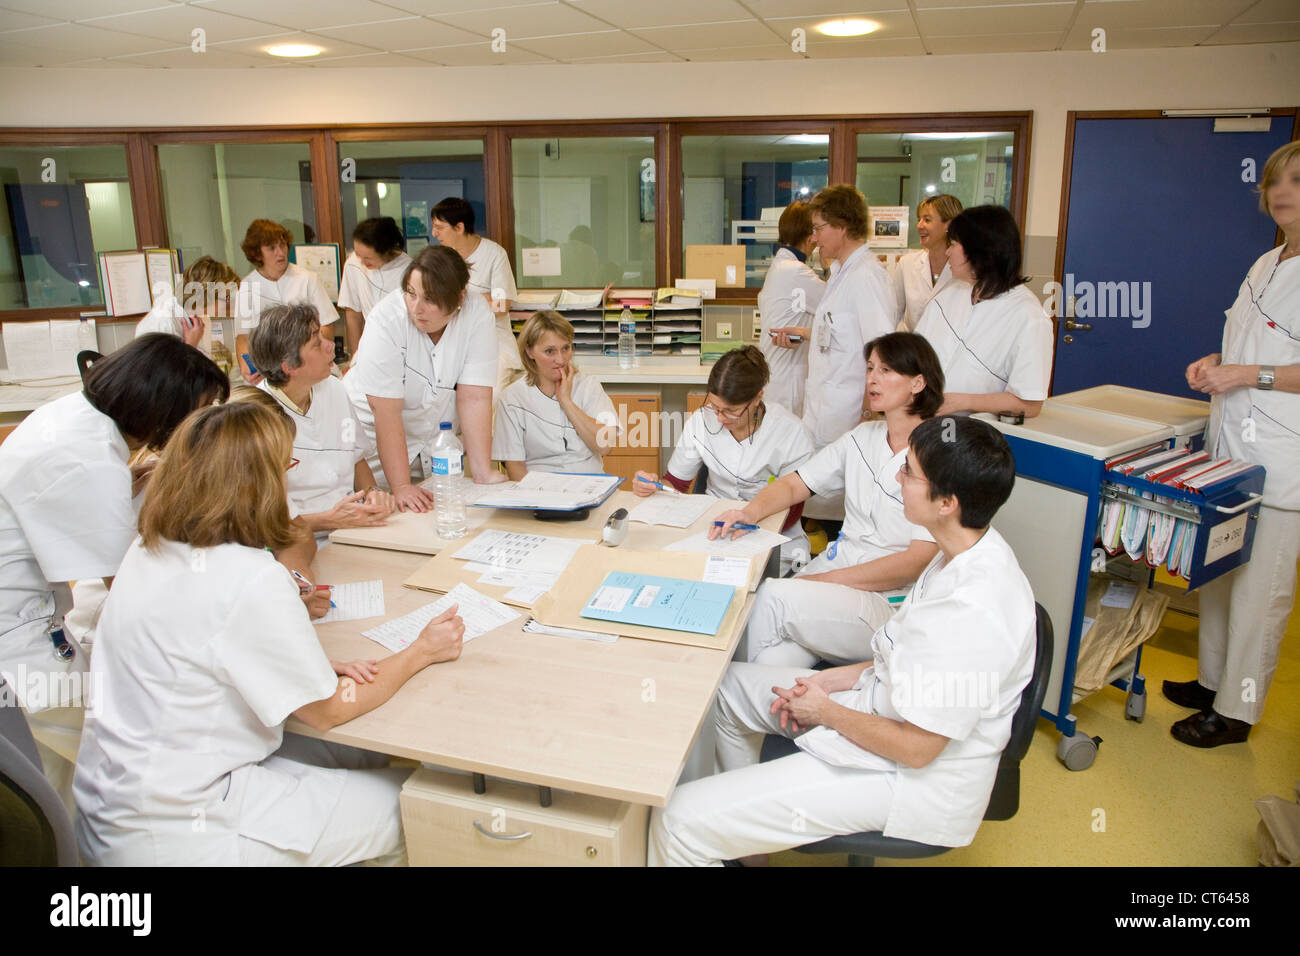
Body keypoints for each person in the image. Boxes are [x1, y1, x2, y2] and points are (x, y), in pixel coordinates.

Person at [72, 401, 466, 866]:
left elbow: (205, 651)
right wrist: (421, 650)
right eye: (286, 467)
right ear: (258, 483)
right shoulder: (249, 577)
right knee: (422, 811)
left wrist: (296, 662)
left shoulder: (148, 548)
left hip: (112, 808)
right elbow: (326, 712)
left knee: (364, 758)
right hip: (183, 831)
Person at [649, 415, 1035, 866]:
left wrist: (825, 711)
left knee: (675, 823)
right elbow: (896, 657)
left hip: (908, 780)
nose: (896, 476)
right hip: (874, 706)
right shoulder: (959, 552)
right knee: (719, 690)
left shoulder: (975, 609)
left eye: (908, 471)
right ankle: (738, 846)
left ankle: (700, 834)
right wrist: (829, 683)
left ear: (946, 501)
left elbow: (917, 748)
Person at [0, 334, 230, 712]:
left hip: (31, 611)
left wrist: (123, 482)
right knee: (70, 735)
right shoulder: (91, 461)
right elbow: (129, 588)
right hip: (19, 638)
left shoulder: (73, 414)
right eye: (198, 412)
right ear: (166, 407)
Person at [1171, 140, 1300, 747]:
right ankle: (1212, 682)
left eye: (1297, 181)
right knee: (1221, 571)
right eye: (1275, 181)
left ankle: (1238, 711)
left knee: (1260, 593)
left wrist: (1247, 375)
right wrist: (1217, 364)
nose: (1281, 192)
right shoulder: (1265, 263)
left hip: (1283, 458)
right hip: (1234, 447)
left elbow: (1268, 368)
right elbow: (1251, 347)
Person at [712, 333, 944, 665]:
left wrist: (822, 582)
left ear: (918, 383)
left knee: (771, 595)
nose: (872, 379)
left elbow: (915, 561)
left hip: (887, 601)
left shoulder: (938, 455)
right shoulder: (863, 438)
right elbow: (795, 484)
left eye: (886, 370)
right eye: (870, 368)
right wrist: (750, 512)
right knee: (767, 666)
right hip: (838, 578)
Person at [345, 245, 506, 514]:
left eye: (429, 299)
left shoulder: (476, 313)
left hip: (431, 451)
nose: (416, 308)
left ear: (460, 298)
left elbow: (475, 396)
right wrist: (401, 486)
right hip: (372, 448)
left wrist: (482, 473)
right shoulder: (386, 319)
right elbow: (385, 412)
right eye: (411, 293)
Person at [633, 346, 815, 575]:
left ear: (758, 397)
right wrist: (654, 485)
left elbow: (794, 509)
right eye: (714, 406)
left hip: (774, 531)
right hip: (712, 527)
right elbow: (676, 484)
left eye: (731, 411)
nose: (719, 418)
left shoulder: (792, 433)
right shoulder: (701, 421)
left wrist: (750, 518)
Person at [250, 303, 394, 538]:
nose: (330, 347)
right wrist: (327, 520)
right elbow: (261, 519)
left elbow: (356, 458)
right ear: (290, 367)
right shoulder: (256, 416)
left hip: (350, 530)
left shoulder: (334, 390)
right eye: (317, 344)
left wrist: (373, 492)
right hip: (296, 541)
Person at [913, 205, 1052, 418]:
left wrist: (962, 401)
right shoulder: (949, 295)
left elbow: (1030, 405)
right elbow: (913, 354)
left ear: (980, 251)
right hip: (923, 424)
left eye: (954, 244)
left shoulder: (1028, 316)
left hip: (973, 436)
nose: (948, 251)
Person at [802, 184, 900, 452]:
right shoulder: (839, 273)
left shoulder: (867, 277)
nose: (813, 237)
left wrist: (868, 415)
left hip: (850, 420)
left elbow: (883, 354)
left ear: (842, 226)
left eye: (819, 228)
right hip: (824, 416)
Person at [492, 310, 620, 479]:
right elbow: (515, 468)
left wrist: (566, 402)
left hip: (590, 485)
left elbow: (605, 446)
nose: (560, 360)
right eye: (550, 351)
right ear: (530, 352)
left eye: (565, 348)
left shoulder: (588, 386)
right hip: (538, 490)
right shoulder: (512, 399)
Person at [430, 196, 522, 402]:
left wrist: (459, 299)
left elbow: (501, 305)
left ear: (459, 227)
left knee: (491, 395)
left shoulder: (494, 254)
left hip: (493, 342)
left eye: (439, 227)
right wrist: (482, 297)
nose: (434, 233)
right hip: (450, 341)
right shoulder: (441, 259)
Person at [234, 218, 338, 385]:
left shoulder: (307, 278)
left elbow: (327, 325)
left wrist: (304, 354)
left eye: (282, 245)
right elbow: (243, 337)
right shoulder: (247, 286)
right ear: (256, 253)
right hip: (269, 373)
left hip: (309, 366)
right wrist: (247, 368)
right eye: (271, 248)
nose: (280, 253)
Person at [757, 201, 826, 417]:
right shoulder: (795, 272)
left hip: (778, 379)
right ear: (810, 236)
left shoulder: (782, 267)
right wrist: (829, 265)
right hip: (788, 384)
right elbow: (837, 304)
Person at [135, 255, 240, 370]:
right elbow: (162, 378)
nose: (230, 303)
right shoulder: (162, 322)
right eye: (227, 298)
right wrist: (190, 346)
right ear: (206, 295)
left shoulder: (201, 320)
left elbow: (201, 368)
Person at [338, 216, 411, 359]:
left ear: (386, 251)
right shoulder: (353, 264)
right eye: (358, 255)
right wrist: (356, 357)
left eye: (368, 258)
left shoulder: (409, 269)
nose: (362, 262)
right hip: (369, 346)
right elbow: (353, 313)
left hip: (402, 347)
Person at [892, 193, 963, 333]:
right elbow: (894, 314)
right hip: (910, 350)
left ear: (948, 225)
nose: (919, 226)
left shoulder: (964, 269)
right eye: (919, 219)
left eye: (927, 220)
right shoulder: (907, 264)